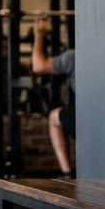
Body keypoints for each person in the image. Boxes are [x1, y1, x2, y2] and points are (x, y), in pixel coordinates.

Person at [31, 16, 75, 177]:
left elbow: (38, 66)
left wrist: (39, 35)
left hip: (87, 119)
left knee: (53, 117)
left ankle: (67, 173)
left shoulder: (74, 56)